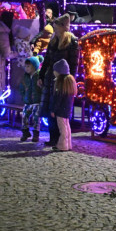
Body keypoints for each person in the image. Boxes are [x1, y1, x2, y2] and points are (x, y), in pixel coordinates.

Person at [38, 13, 78, 148]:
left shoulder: (72, 41)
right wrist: (41, 76)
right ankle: (52, 137)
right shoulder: (53, 40)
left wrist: (70, 79)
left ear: (63, 27)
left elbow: (74, 64)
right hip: (51, 77)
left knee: (60, 109)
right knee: (50, 108)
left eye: (56, 27)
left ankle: (62, 141)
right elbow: (47, 60)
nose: (54, 29)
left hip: (63, 79)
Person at [50, 58, 77, 152]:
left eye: (55, 70)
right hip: (67, 109)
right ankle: (68, 144)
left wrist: (53, 110)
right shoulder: (69, 82)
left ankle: (62, 145)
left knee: (62, 129)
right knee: (67, 127)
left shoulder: (60, 84)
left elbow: (57, 99)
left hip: (61, 110)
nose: (54, 72)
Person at [19, 56, 42, 142]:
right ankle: (25, 132)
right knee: (24, 116)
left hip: (36, 101)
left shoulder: (39, 76)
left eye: (28, 66)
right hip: (28, 101)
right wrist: (23, 96)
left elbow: (42, 88)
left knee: (36, 118)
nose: (26, 68)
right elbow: (22, 87)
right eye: (25, 66)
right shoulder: (26, 76)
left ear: (34, 66)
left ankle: (36, 134)